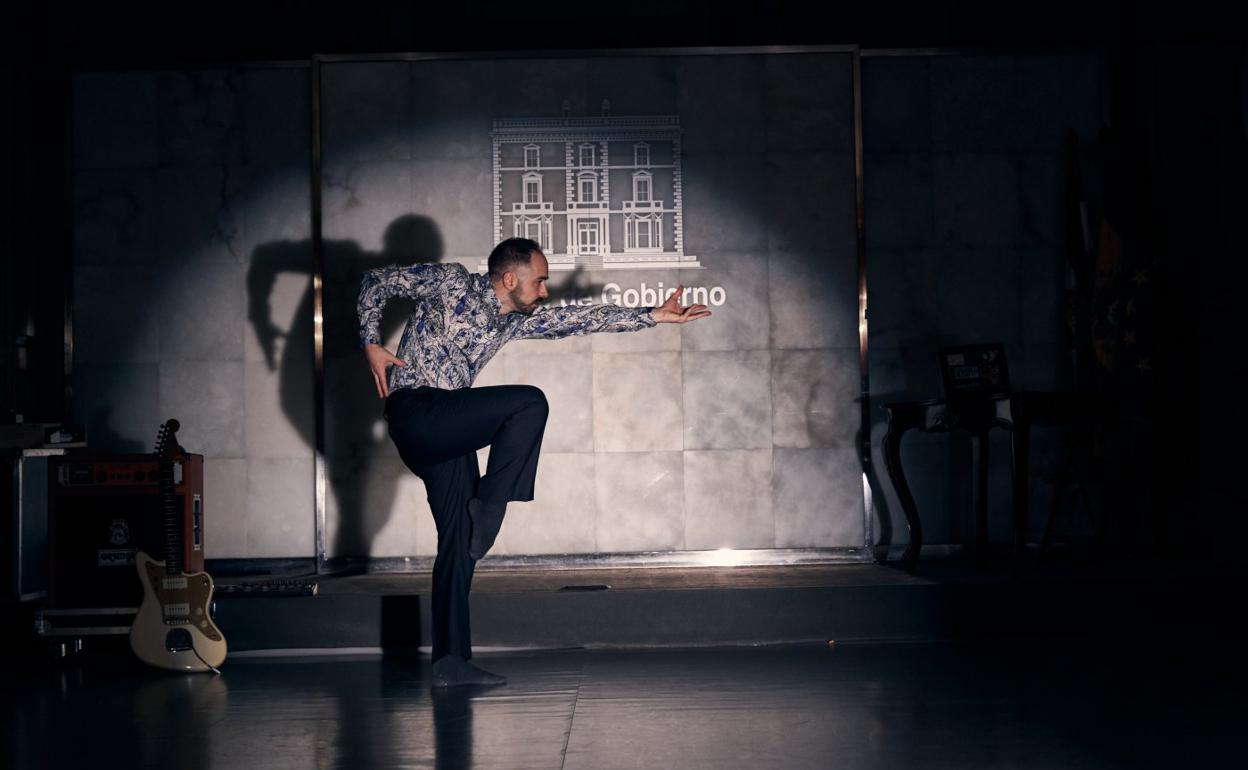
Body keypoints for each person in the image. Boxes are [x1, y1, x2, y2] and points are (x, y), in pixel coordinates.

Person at [358, 237, 711, 687]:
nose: (545, 290)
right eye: (539, 281)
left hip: (448, 432)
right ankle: (492, 505)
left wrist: (652, 316)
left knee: (460, 545)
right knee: (528, 403)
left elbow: (577, 318)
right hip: (417, 412)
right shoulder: (450, 283)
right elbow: (376, 282)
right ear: (510, 278)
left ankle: (451, 661)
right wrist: (370, 341)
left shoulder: (511, 322)